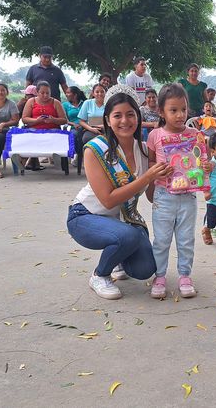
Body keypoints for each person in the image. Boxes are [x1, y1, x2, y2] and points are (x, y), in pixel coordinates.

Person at [67, 90, 172, 300]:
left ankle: (117, 259)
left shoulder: (144, 150)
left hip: (123, 219)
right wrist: (147, 177)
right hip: (85, 216)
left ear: (138, 117)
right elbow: (108, 200)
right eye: (117, 116)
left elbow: (151, 196)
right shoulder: (95, 149)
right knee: (128, 236)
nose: (125, 121)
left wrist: (176, 179)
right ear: (108, 120)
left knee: (144, 269)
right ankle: (100, 275)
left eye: (130, 114)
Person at [146, 83, 212, 300]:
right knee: (161, 240)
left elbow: (203, 160)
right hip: (163, 196)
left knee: (185, 240)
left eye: (183, 109)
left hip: (188, 196)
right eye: (173, 110)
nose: (180, 115)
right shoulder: (155, 135)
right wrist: (156, 174)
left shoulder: (195, 135)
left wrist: (207, 167)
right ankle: (159, 277)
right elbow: (150, 163)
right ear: (161, 112)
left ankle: (185, 276)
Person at [20, 81, 67, 171]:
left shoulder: (55, 102)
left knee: (54, 136)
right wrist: (36, 120)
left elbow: (64, 120)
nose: (45, 95)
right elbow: (24, 119)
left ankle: (56, 157)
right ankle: (24, 159)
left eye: (47, 93)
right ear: (37, 92)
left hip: (52, 130)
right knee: (27, 137)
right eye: (42, 93)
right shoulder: (31, 101)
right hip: (34, 130)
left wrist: (53, 120)